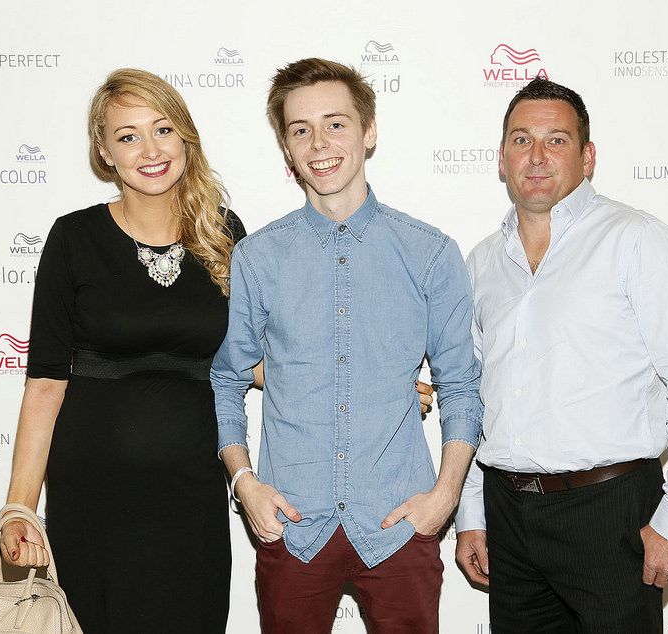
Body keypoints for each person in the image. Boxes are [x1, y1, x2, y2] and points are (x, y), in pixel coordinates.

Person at [211, 57, 483, 634]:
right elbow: (227, 377)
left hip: (398, 523)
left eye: (336, 123)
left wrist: (444, 499)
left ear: (369, 130)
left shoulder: (429, 253)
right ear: (286, 148)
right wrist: (245, 484)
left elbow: (461, 384)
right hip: (292, 523)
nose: (319, 143)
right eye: (299, 129)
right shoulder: (257, 258)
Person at [454, 77, 668, 633]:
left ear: (588, 156)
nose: (536, 157)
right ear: (501, 157)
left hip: (609, 510)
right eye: (520, 140)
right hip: (510, 513)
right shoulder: (481, 262)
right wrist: (474, 512)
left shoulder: (636, 240)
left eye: (556, 141)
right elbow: (481, 399)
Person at [0, 68, 247, 633]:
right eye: (128, 135)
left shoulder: (225, 234)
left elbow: (253, 361)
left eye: (162, 130)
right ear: (105, 152)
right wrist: (19, 507)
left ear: (186, 138)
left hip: (191, 489)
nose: (150, 150)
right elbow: (44, 383)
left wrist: (364, 384)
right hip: (92, 491)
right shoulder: (73, 239)